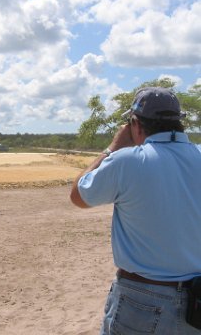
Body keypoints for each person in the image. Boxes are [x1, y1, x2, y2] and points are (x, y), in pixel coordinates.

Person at [70, 87, 201, 334]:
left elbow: (78, 196)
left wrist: (112, 148)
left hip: (142, 300)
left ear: (135, 124)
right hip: (197, 303)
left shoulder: (127, 161)